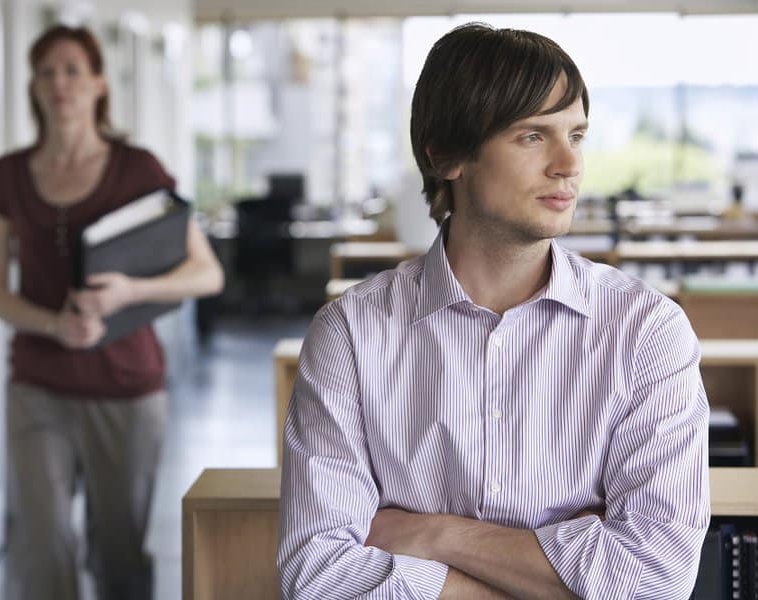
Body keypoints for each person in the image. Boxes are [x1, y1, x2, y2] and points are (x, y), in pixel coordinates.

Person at [278, 22, 709, 600]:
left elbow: (656, 578)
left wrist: (433, 535)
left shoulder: (646, 331)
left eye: (576, 135)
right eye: (532, 136)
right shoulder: (351, 334)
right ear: (447, 156)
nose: (568, 165)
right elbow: (317, 578)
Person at [0, 25, 224, 600]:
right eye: (46, 72)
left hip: (128, 390)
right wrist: (53, 325)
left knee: (119, 560)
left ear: (98, 84)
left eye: (72, 70)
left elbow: (207, 272)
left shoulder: (138, 169)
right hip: (38, 387)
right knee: (44, 555)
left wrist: (127, 294)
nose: (59, 82)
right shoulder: (7, 176)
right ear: (33, 88)